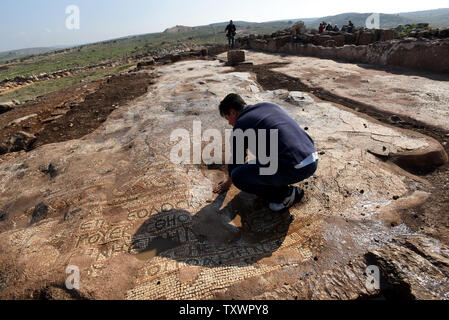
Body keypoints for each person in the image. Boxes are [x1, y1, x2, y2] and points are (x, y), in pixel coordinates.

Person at [213, 94, 319, 212]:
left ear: (233, 112)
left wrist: (229, 182)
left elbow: (236, 160)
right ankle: (280, 182)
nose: (229, 123)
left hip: (298, 167)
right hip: (312, 156)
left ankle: (286, 195)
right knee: (260, 159)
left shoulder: (240, 125)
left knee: (238, 176)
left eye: (228, 118)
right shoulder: (267, 105)